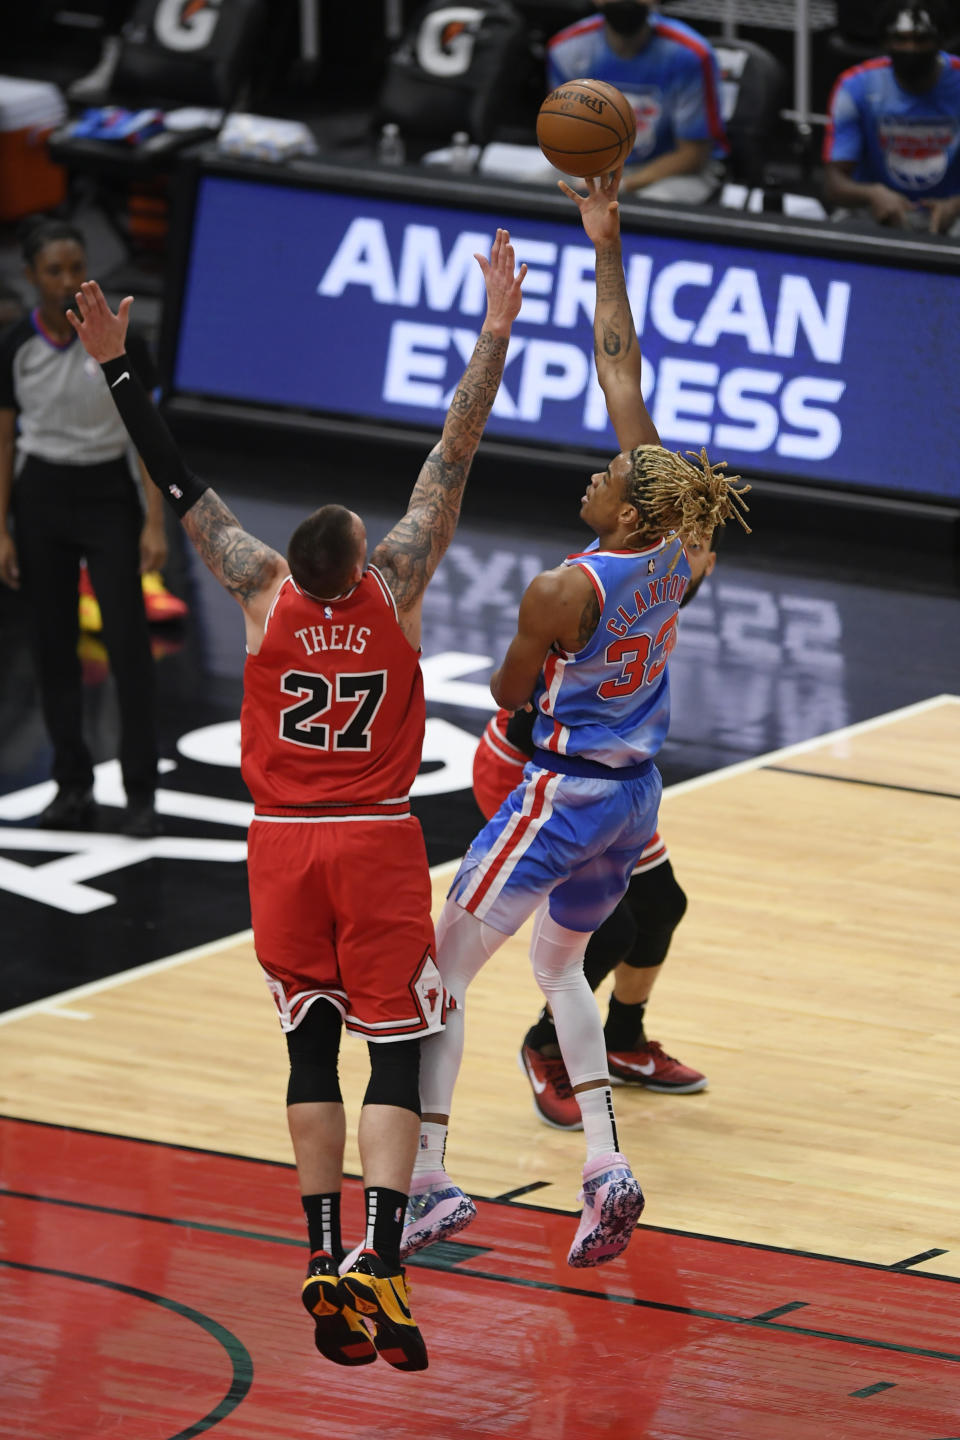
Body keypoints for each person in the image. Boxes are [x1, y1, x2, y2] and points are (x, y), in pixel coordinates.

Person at [66, 232, 525, 1372]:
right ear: (363, 558)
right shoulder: (401, 578)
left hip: (279, 849)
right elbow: (451, 451)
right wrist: (497, 327)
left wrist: (119, 368)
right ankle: (383, 1257)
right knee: (398, 1055)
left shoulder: (257, 585)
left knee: (309, 1047)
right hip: (371, 842)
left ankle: (317, 1251)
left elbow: (177, 480)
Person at [401, 169, 749, 1273]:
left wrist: (534, 652)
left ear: (628, 509)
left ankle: (428, 1183)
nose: (596, 472)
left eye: (607, 475)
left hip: (559, 789)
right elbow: (620, 364)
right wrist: (605, 239)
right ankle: (606, 1169)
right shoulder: (679, 549)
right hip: (632, 794)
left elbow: (510, 698)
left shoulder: (565, 589)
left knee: (436, 978)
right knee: (559, 971)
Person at [474, 531, 718, 1132]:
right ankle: (544, 1045)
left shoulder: (655, 578)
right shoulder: (582, 584)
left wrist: (692, 573)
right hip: (538, 771)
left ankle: (622, 1040)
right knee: (610, 931)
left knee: (662, 905)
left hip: (608, 774)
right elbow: (519, 704)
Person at [0, 218, 166, 837]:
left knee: (128, 647)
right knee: (52, 649)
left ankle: (143, 792)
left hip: (107, 497)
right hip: (40, 498)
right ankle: (72, 786)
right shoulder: (15, 344)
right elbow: (5, 439)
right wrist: (3, 528)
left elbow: (150, 437)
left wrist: (155, 521)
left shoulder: (124, 342)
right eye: (54, 271)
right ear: (30, 276)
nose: (68, 281)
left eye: (76, 268)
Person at [546, 1, 728, 203]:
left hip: (674, 171)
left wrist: (625, 185)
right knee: (530, 192)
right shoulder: (566, 48)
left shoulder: (690, 54)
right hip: (595, 167)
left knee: (644, 212)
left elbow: (693, 155)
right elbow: (565, 138)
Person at [823, 1, 960, 235]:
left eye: (921, 39)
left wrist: (956, 205)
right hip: (877, 212)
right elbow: (833, 182)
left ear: (940, 41)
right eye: (901, 39)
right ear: (886, 42)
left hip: (952, 214)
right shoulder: (856, 86)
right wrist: (873, 194)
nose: (911, 48)